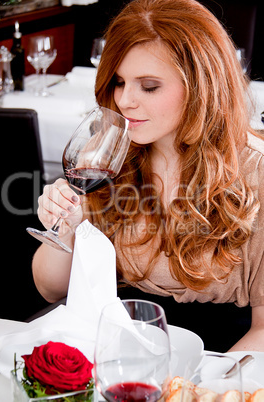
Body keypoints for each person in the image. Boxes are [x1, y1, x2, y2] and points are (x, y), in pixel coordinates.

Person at [32, 0, 264, 351]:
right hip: (119, 353)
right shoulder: (108, 152)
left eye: (149, 86)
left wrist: (198, 387)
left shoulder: (256, 171)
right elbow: (50, 289)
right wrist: (66, 227)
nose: (125, 101)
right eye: (119, 82)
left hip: (223, 359)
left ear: (202, 86)